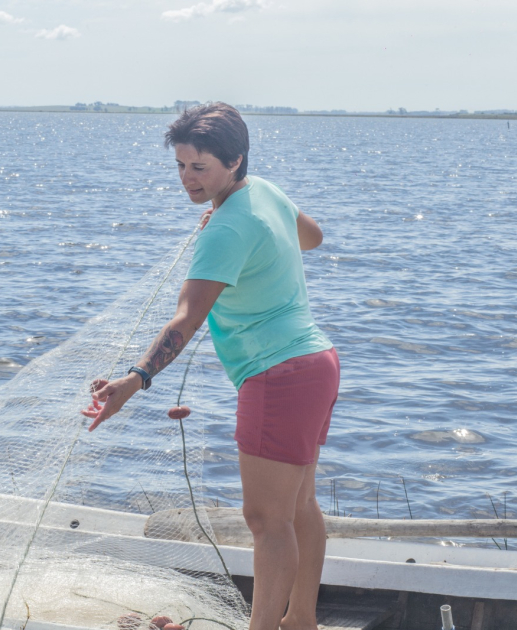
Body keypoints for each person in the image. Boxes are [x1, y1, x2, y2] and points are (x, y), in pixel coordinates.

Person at [83, 103, 339, 630]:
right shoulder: (261, 191)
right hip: (317, 363)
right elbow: (311, 236)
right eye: (180, 166)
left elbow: (187, 318)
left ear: (234, 160)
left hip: (277, 376)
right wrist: (244, 225)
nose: (187, 178)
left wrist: (135, 378)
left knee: (266, 520)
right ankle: (301, 621)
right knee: (300, 505)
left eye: (199, 168)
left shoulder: (224, 231)